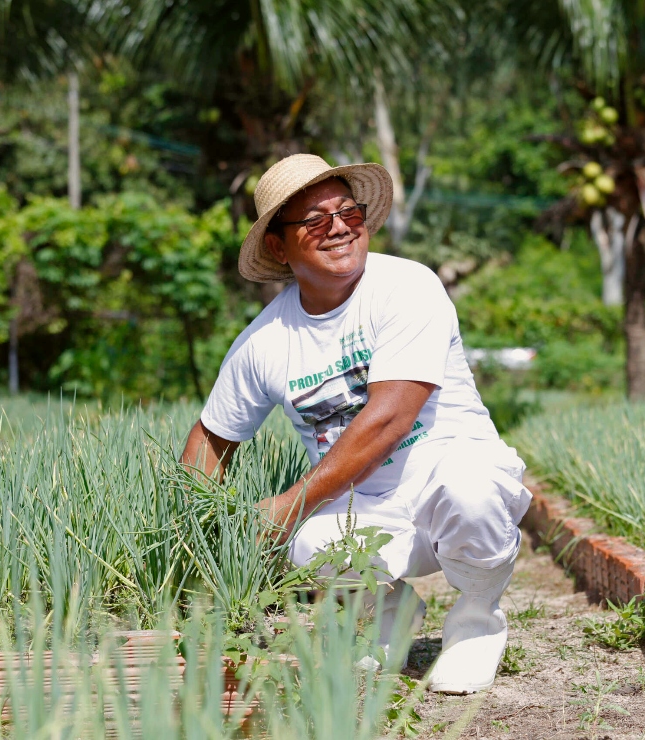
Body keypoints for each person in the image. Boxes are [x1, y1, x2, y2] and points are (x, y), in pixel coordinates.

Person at [181, 153, 531, 694]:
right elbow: (210, 438)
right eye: (315, 220)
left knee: (470, 492)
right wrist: (194, 541)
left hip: (450, 476)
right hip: (369, 507)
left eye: (349, 211)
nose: (339, 227)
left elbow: (390, 415)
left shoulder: (407, 287)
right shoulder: (264, 341)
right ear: (278, 245)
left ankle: (476, 622)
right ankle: (390, 616)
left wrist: (286, 506)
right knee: (310, 545)